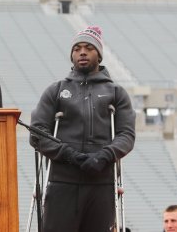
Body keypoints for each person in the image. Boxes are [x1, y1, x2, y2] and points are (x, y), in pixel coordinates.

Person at [29, 26, 136, 232]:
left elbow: (126, 135)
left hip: (102, 182)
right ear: (72, 55)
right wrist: (69, 155)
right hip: (62, 181)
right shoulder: (56, 90)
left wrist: (104, 156)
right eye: (77, 49)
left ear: (99, 54)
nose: (83, 52)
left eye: (89, 48)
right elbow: (37, 132)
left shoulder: (116, 93)